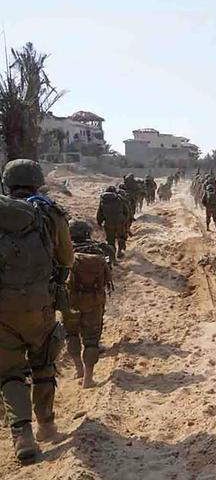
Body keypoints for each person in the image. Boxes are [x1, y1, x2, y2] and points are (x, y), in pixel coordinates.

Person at [0, 159, 74, 461]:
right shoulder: (48, 212)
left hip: (2, 308)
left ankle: (23, 437)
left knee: (9, 373)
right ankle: (46, 424)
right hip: (40, 304)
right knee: (43, 361)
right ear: (38, 181)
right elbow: (67, 259)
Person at [63, 220, 113, 388]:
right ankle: (88, 379)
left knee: (71, 335)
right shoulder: (100, 250)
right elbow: (108, 277)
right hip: (94, 302)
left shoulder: (63, 252)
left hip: (70, 302)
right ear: (88, 233)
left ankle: (78, 369)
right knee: (91, 340)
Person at [97, 186, 130, 258]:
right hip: (120, 223)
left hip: (108, 224)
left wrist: (99, 222)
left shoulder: (103, 200)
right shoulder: (119, 199)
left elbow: (100, 213)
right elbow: (127, 211)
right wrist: (125, 221)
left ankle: (112, 258)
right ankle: (120, 252)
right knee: (121, 237)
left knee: (110, 241)